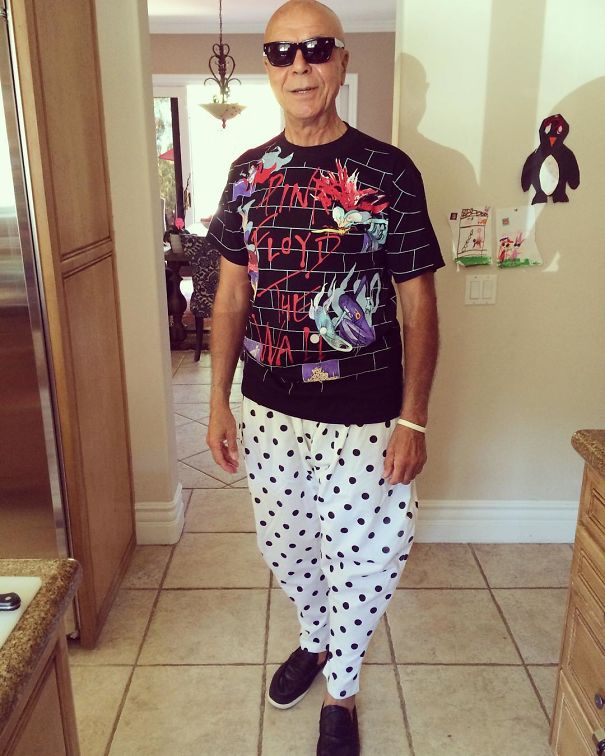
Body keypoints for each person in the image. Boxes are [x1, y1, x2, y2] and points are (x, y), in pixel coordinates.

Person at [206, 2, 444, 753]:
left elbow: (418, 303)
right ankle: (314, 638)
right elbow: (230, 296)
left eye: (315, 49)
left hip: (363, 412)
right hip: (267, 408)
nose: (299, 65)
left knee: (364, 555)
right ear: (267, 67)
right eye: (282, 52)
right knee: (288, 548)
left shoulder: (388, 171)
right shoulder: (248, 174)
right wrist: (218, 401)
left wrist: (413, 417)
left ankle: (341, 689)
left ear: (340, 60)